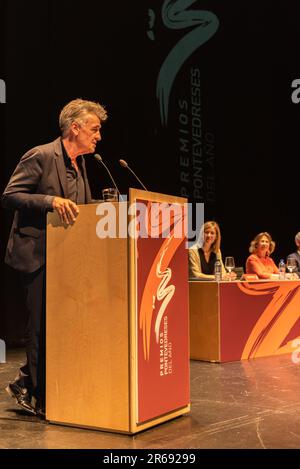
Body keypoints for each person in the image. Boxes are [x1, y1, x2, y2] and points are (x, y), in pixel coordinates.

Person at [1, 98, 107, 417]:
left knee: (60, 326)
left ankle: (27, 382)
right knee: (39, 328)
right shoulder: (42, 155)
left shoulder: (82, 164)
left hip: (68, 258)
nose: (98, 136)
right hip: (37, 255)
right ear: (74, 128)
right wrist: (50, 200)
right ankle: (38, 394)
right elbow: (9, 196)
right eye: (94, 129)